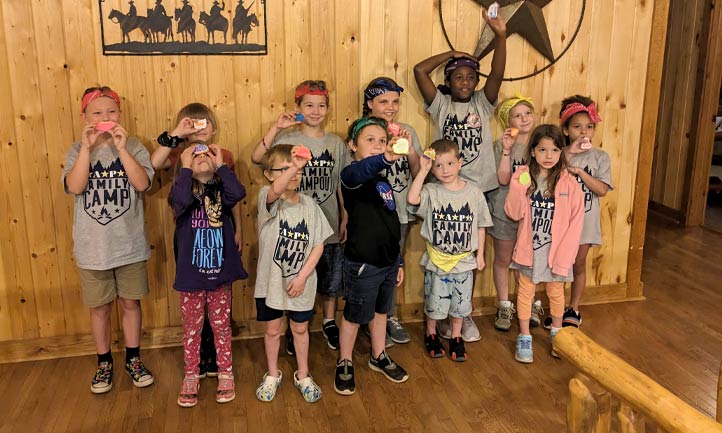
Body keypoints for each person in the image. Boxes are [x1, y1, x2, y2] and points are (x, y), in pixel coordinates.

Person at [413, 12, 507, 342]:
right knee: (445, 251)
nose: (465, 82)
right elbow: (419, 70)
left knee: (471, 255)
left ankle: (463, 314)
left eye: (471, 77)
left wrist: (501, 36)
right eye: (459, 77)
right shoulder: (439, 105)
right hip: (445, 190)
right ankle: (440, 313)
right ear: (450, 81)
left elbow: (497, 72)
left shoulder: (483, 103)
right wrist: (450, 56)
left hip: (479, 189)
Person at [62, 86, 155, 394]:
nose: (105, 117)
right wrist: (88, 150)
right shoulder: (77, 150)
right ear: (84, 117)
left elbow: (142, 183)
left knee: (131, 302)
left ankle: (133, 359)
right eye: (97, 113)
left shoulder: (135, 147)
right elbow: (76, 187)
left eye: (111, 111)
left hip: (129, 245)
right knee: (100, 307)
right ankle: (104, 363)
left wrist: (123, 148)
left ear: (120, 114)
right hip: (93, 248)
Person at [251, 80, 347, 355]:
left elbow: (339, 182)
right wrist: (278, 127)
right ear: (298, 107)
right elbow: (258, 158)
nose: (316, 111)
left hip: (325, 219)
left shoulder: (335, 143)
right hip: (293, 224)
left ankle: (328, 321)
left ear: (328, 109)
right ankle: (295, 327)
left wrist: (345, 215)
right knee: (295, 275)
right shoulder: (287, 139)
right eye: (309, 105)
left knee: (329, 278)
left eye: (321, 106)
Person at [152, 102, 242, 379]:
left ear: (213, 127)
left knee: (218, 303)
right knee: (195, 302)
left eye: (205, 123)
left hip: (218, 237)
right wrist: (177, 136)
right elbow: (155, 164)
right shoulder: (181, 155)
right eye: (193, 124)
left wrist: (240, 230)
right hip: (190, 239)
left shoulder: (221, 155)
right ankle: (199, 358)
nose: (200, 128)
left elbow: (234, 195)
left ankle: (216, 357)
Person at [334, 117, 410, 396]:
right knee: (354, 316)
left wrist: (398, 259)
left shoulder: (382, 180)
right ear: (352, 145)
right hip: (363, 263)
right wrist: (386, 157)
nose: (378, 145)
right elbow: (361, 171)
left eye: (382, 140)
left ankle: (379, 356)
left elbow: (391, 222)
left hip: (387, 262)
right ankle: (345, 360)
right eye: (370, 140)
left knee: (380, 312)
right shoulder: (350, 175)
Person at [170, 143, 247, 407]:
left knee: (221, 328)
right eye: (195, 156)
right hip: (191, 278)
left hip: (219, 277)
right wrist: (186, 167)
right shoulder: (183, 192)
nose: (201, 158)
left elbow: (238, 192)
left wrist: (222, 166)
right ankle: (191, 374)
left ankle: (225, 372)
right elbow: (179, 200)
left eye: (207, 156)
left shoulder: (221, 191)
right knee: (192, 329)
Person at [254, 145, 332, 403]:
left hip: (302, 283)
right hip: (272, 284)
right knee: (273, 330)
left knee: (300, 329)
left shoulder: (310, 205)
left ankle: (303, 373)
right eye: (285, 169)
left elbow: (318, 244)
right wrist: (296, 166)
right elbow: (277, 190)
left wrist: (302, 278)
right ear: (268, 174)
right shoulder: (267, 196)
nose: (294, 174)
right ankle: (273, 374)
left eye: (297, 168)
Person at [504, 124, 584, 363]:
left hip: (557, 251)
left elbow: (575, 224)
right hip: (530, 249)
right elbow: (514, 212)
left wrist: (566, 256)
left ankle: (557, 334)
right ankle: (525, 335)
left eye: (554, 150)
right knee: (526, 290)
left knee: (556, 291)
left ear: (561, 152)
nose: (548, 156)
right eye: (542, 150)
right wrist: (519, 186)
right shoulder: (522, 176)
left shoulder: (570, 184)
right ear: (533, 151)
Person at [407, 140, 492, 361]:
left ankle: (456, 337)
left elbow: (481, 224)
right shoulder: (431, 190)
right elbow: (412, 198)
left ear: (460, 163)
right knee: (434, 303)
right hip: (437, 259)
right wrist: (423, 170)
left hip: (464, 261)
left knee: (460, 305)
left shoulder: (473, 193)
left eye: (450, 164)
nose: (444, 170)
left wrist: (480, 254)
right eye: (438, 166)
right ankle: (431, 333)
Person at [361, 76, 422, 345]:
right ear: (370, 102)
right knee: (369, 268)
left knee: (393, 267)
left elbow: (419, 172)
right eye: (383, 101)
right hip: (371, 214)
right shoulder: (363, 130)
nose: (390, 107)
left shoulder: (407, 129)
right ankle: (368, 319)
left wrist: (408, 149)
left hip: (400, 213)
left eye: (395, 101)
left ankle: (390, 315)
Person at [547, 95, 613, 329]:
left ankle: (573, 308)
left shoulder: (600, 157)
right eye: (577, 127)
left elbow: (602, 190)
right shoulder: (555, 153)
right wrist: (569, 155)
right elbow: (547, 177)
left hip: (585, 221)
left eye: (589, 126)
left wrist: (582, 174)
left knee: (578, 264)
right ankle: (556, 308)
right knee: (555, 265)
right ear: (565, 130)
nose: (584, 132)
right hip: (558, 221)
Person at [487, 94, 543, 331]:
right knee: (502, 259)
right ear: (506, 121)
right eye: (517, 116)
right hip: (504, 211)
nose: (524, 119)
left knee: (528, 262)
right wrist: (507, 152)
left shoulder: (541, 143)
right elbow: (502, 178)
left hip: (532, 215)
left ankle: (526, 303)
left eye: (527, 113)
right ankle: (503, 304)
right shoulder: (501, 145)